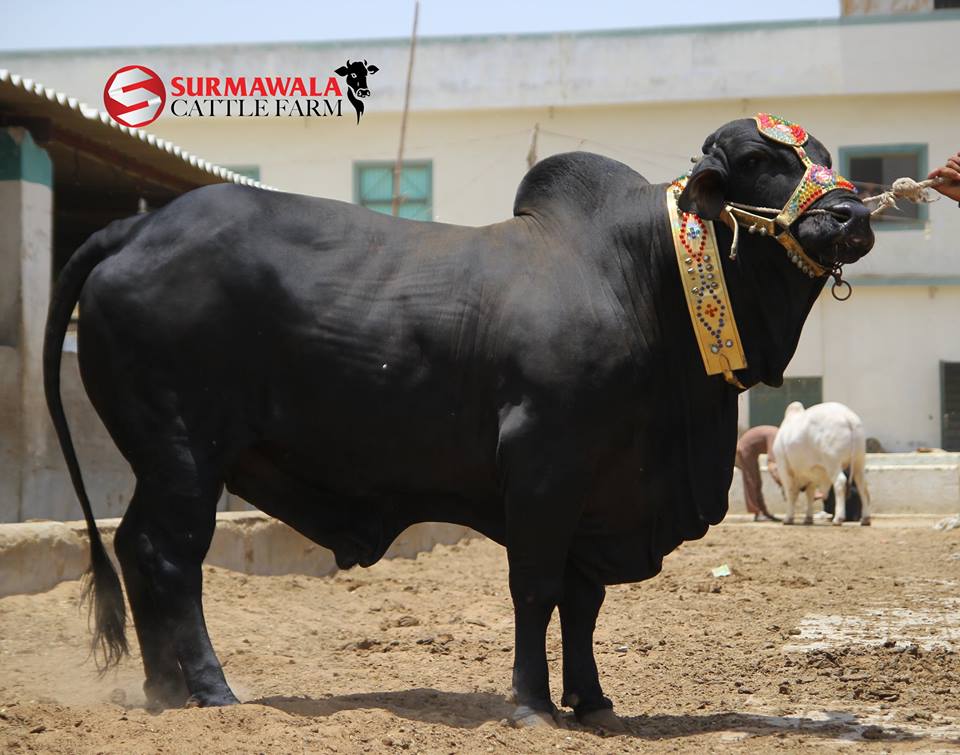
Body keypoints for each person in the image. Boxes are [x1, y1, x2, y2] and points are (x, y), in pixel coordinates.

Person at [735, 425, 781, 522]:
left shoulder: (776, 433)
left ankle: (764, 512)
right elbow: (772, 463)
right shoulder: (775, 436)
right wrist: (781, 482)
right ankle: (757, 512)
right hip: (745, 450)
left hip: (750, 451)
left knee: (757, 482)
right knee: (751, 480)